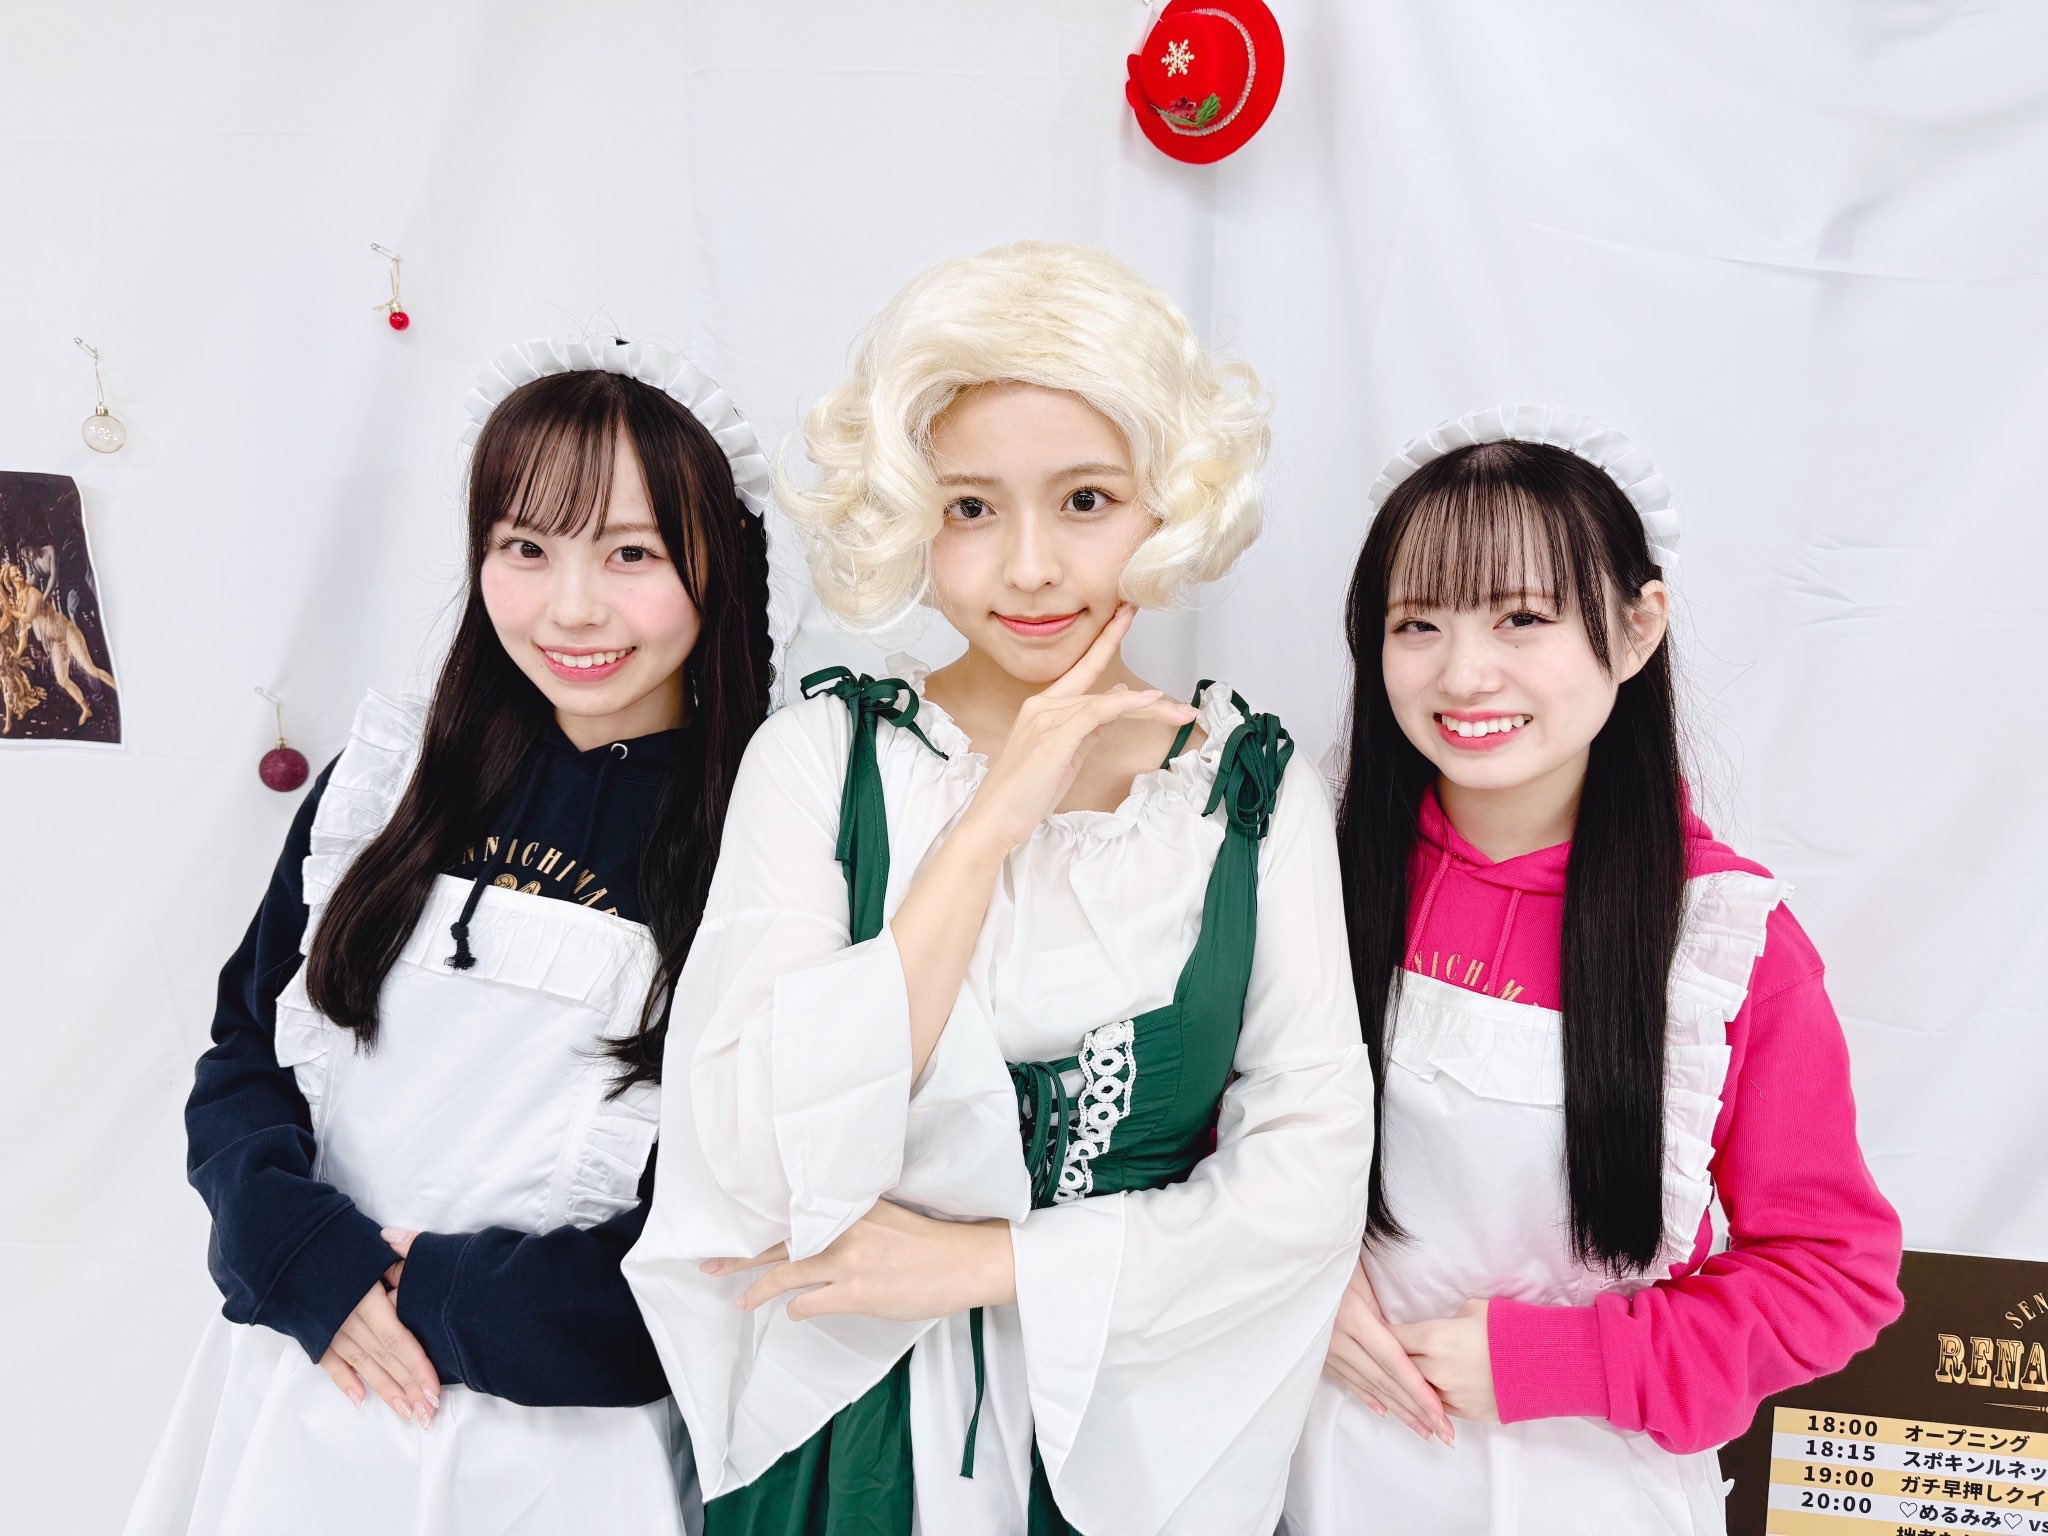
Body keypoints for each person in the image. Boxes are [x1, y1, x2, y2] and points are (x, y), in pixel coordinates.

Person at [623, 241, 1375, 1535]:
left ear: (1167, 501)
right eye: (970, 507)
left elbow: (1305, 1184)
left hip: (1138, 1451)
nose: (1029, 567)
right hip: (844, 1444)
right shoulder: (821, 759)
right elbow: (750, 1152)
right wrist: (988, 827)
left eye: (1085, 499)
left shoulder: (1251, 794)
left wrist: (990, 1265)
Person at [126, 336, 777, 1536]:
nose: (571, 606)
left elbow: (743, 1218)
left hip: (560, 1454)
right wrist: (294, 1253)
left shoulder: (771, 831)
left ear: (718, 563)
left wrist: (436, 1295)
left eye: (630, 553)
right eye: (525, 547)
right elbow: (245, 1051)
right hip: (299, 1390)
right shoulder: (387, 784)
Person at [1284, 405, 1905, 1534]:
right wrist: (1296, 1283)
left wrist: (1557, 1359)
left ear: (1635, 628)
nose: (1464, 673)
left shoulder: (1722, 941)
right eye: (1416, 623)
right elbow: (1209, 1140)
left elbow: (1831, 1274)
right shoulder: (1302, 876)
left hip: (1590, 1489)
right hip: (1315, 1467)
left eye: (1521, 617)